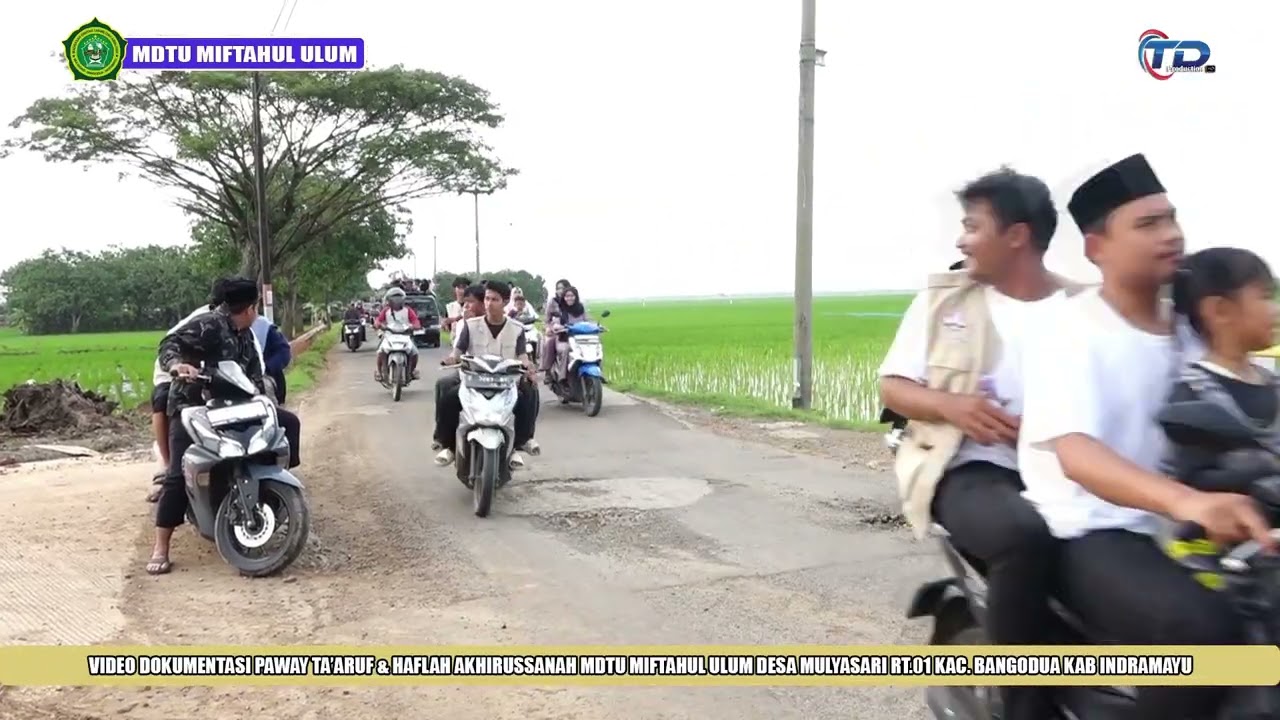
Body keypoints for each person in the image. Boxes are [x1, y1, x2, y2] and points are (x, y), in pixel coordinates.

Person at [1019, 154, 1270, 720]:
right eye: (1148, 223)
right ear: (1096, 247)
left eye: (1172, 218)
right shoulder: (1072, 331)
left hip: (1201, 521)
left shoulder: (1195, 328)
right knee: (1203, 636)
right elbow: (1077, 454)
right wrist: (1187, 500)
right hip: (1099, 531)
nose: (1171, 234)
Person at [878, 167, 1084, 720]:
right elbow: (892, 385)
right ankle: (1022, 706)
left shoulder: (1082, 307)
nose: (960, 238)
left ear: (1016, 235)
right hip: (974, 468)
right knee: (1023, 537)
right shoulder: (946, 304)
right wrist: (953, 407)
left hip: (1073, 470)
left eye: (972, 226)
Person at [147, 277, 304, 576]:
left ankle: (273, 490)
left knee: (287, 424)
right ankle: (161, 546)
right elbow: (169, 344)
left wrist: (265, 396)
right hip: (193, 406)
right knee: (179, 474)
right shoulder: (208, 324)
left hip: (236, 404)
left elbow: (256, 374)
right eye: (255, 306)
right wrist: (177, 365)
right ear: (248, 308)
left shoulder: (246, 335)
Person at [1160, 248, 1279, 499]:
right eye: (1265, 296)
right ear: (1219, 310)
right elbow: (1195, 479)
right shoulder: (1193, 394)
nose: (1275, 309)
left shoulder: (1273, 383)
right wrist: (1263, 467)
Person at [433, 279, 541, 469]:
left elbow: (523, 355)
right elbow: (457, 352)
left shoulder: (516, 329)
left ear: (506, 302)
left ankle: (522, 441)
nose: (489, 303)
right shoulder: (471, 325)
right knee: (447, 395)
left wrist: (529, 368)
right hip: (475, 379)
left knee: (530, 392)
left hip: (506, 381)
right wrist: (450, 359)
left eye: (495, 299)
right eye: (487, 299)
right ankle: (447, 444)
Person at [145, 280, 229, 502]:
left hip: (208, 371)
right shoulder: (202, 322)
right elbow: (169, 347)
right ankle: (167, 465)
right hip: (174, 369)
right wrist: (175, 366)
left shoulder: (243, 323)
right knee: (163, 398)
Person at [540, 285, 589, 381]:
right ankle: (562, 377)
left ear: (576, 297)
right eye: (567, 296)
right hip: (564, 338)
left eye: (572, 296)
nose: (569, 298)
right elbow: (554, 322)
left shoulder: (581, 308)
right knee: (567, 349)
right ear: (564, 298)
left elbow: (586, 320)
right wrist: (557, 327)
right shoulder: (561, 309)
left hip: (580, 339)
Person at [373, 287, 422, 382]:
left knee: (414, 352)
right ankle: (379, 372)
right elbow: (378, 320)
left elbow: (416, 321)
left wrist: (414, 326)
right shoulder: (386, 311)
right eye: (394, 298)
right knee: (380, 351)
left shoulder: (408, 310)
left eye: (398, 298)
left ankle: (412, 370)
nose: (396, 301)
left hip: (405, 336)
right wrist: (379, 324)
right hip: (389, 335)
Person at [252, 315, 292, 405]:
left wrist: (266, 368)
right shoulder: (223, 329)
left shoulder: (264, 327)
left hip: (269, 388)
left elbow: (284, 351)